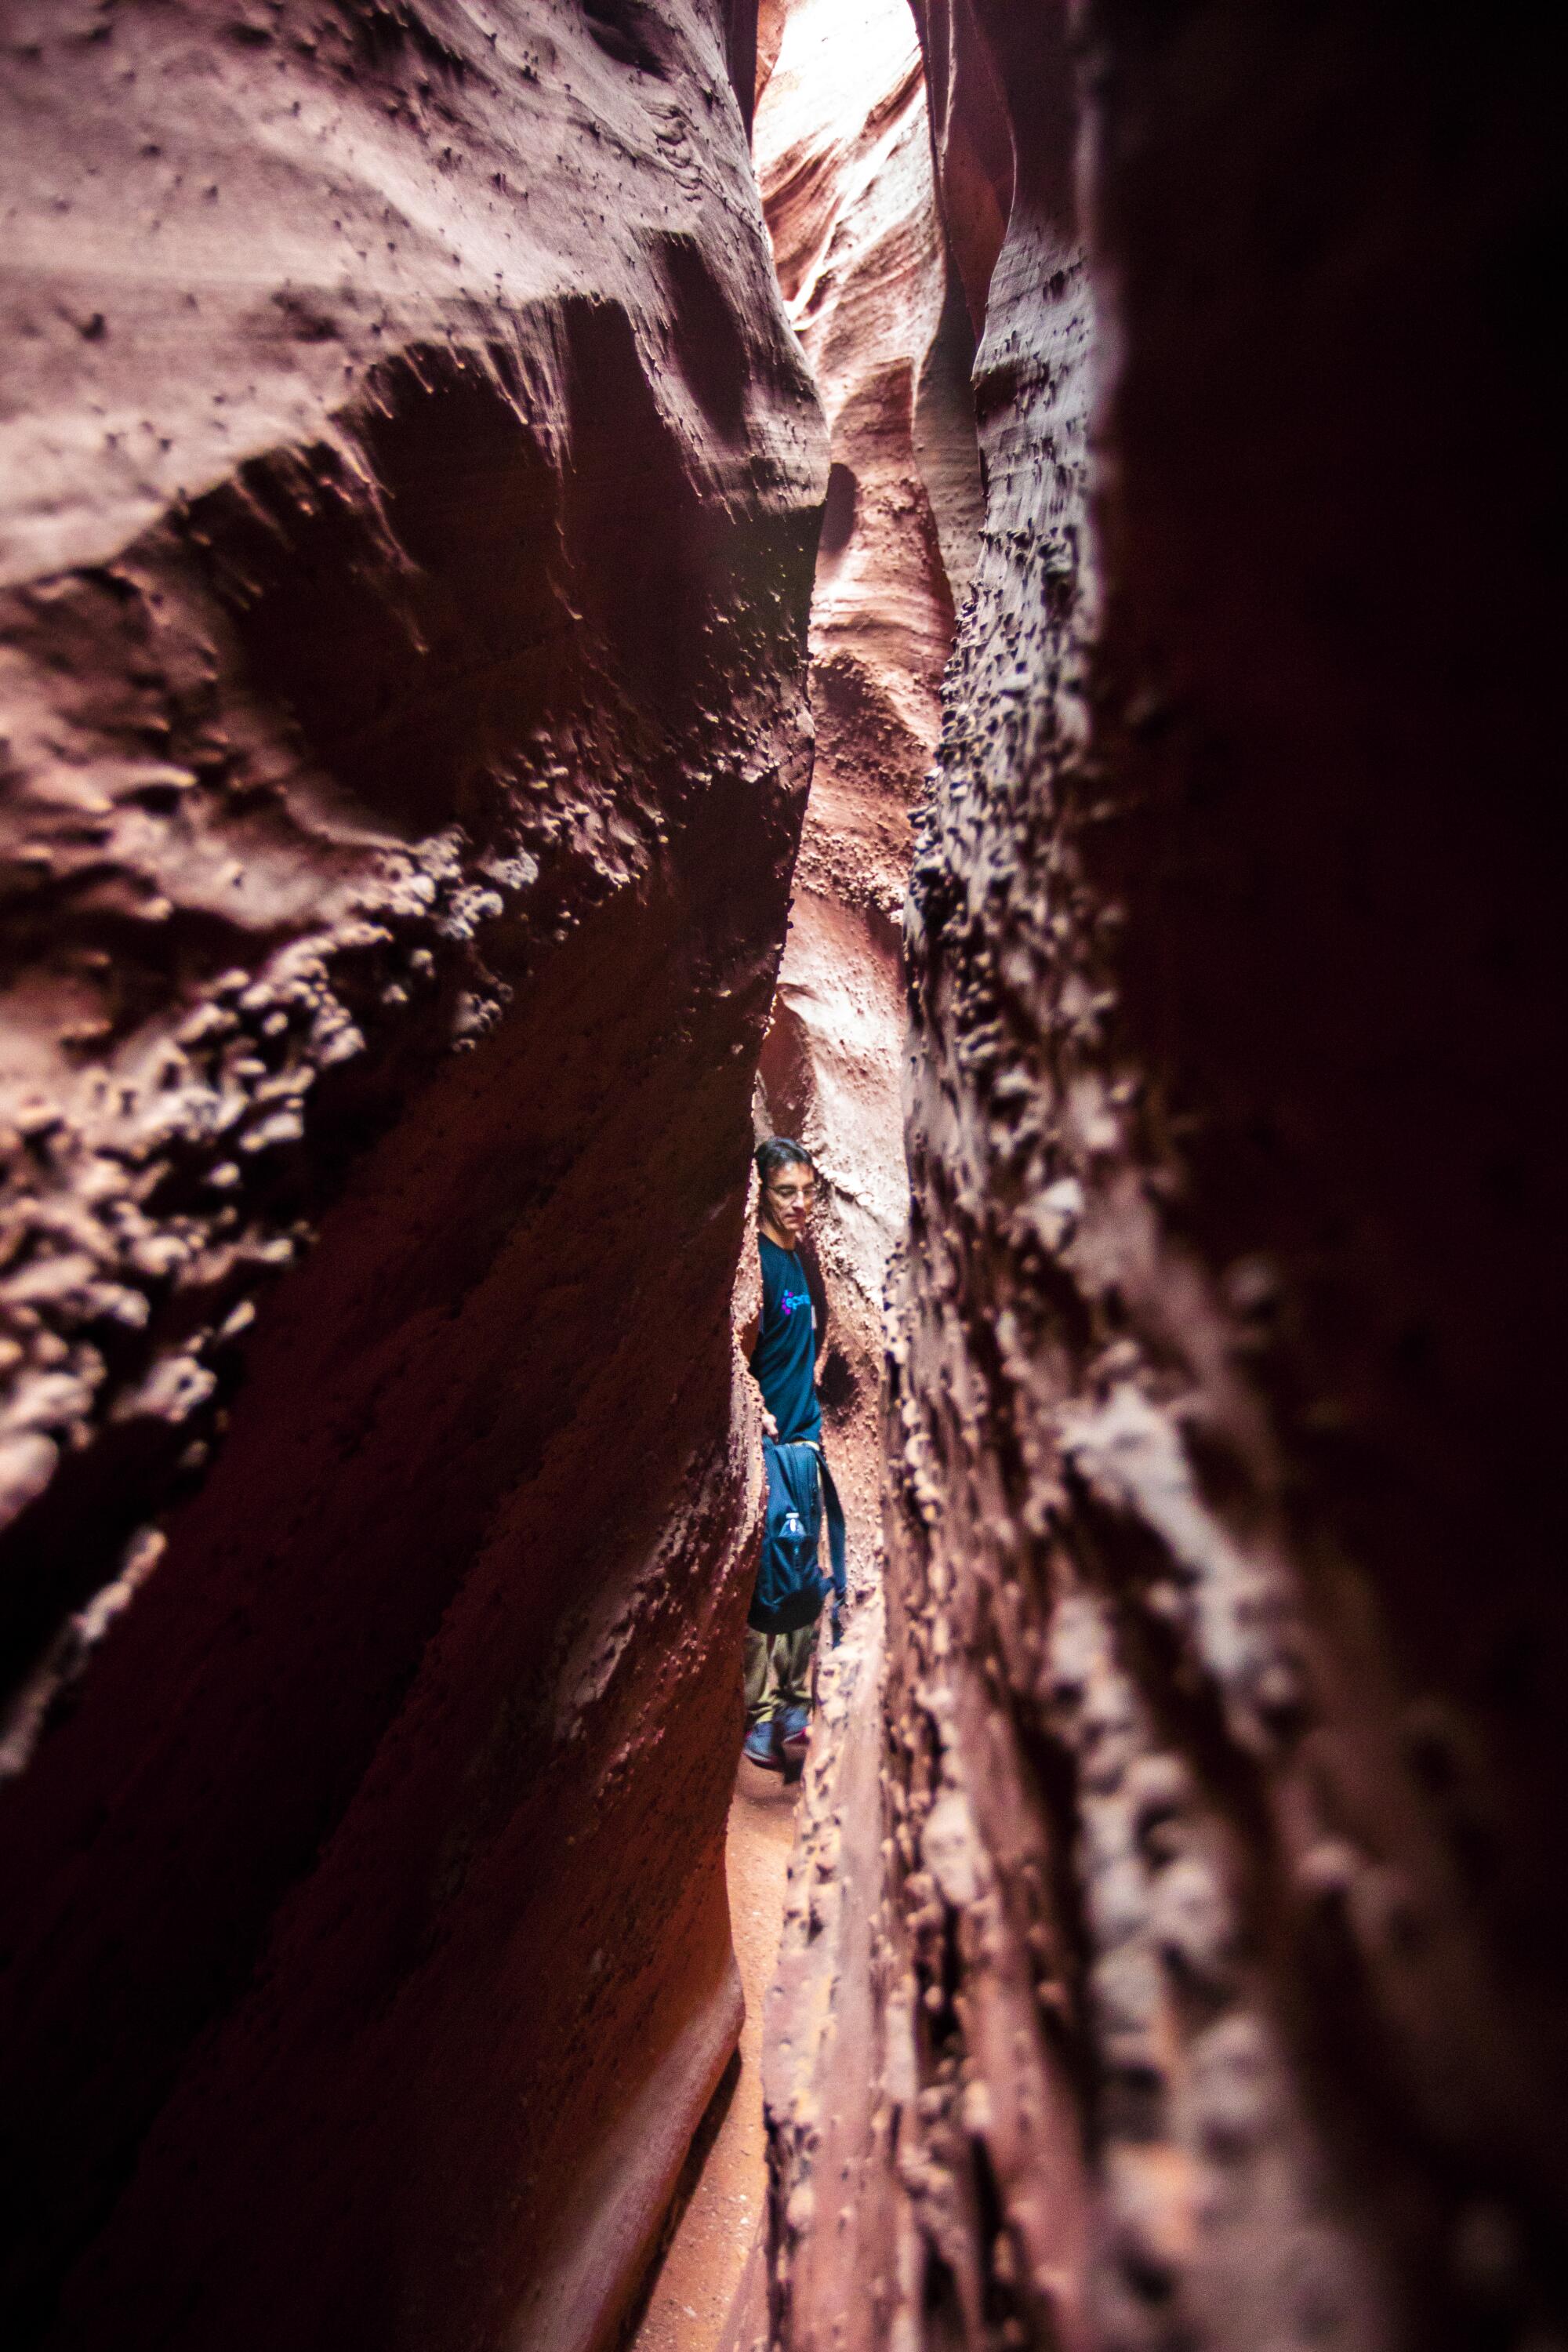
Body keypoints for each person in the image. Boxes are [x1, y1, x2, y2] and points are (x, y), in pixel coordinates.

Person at [739, 1137, 845, 1777]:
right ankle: (762, 1719)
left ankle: (795, 1711)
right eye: (787, 1192)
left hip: (806, 1446)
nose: (801, 1204)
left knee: (803, 1580)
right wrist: (759, 1413)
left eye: (808, 1190)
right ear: (762, 1192)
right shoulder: (757, 1263)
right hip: (775, 1449)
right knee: (772, 1587)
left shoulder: (797, 1262)